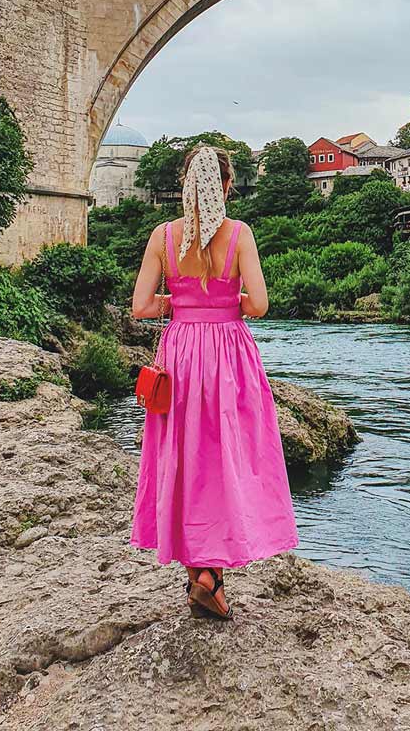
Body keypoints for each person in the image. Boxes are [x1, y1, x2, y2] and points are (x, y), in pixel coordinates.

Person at [129, 144, 298, 619]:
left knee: (182, 457)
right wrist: (226, 301)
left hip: (180, 353)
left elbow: (141, 307)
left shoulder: (162, 237)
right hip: (228, 355)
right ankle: (211, 575)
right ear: (225, 187)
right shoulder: (240, 234)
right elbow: (260, 305)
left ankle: (198, 574)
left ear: (186, 187)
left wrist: (180, 302)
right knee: (227, 459)